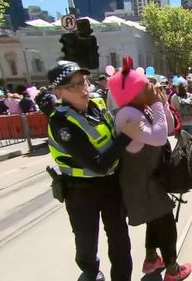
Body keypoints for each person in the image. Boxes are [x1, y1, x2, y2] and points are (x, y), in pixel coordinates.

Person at [46, 60, 137, 281]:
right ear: (58, 92)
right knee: (86, 243)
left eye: (83, 82)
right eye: (73, 86)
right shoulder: (61, 123)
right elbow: (98, 164)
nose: (82, 89)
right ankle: (91, 272)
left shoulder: (97, 104)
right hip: (81, 192)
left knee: (120, 240)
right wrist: (127, 135)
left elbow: (111, 136)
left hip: (110, 186)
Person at [109, 60, 192, 280]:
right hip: (141, 183)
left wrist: (162, 104)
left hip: (148, 179)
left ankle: (151, 259)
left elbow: (171, 124)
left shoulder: (138, 109)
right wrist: (156, 102)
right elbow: (158, 137)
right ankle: (173, 270)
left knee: (155, 221)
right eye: (146, 85)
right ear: (133, 92)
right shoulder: (128, 115)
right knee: (165, 223)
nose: (151, 88)